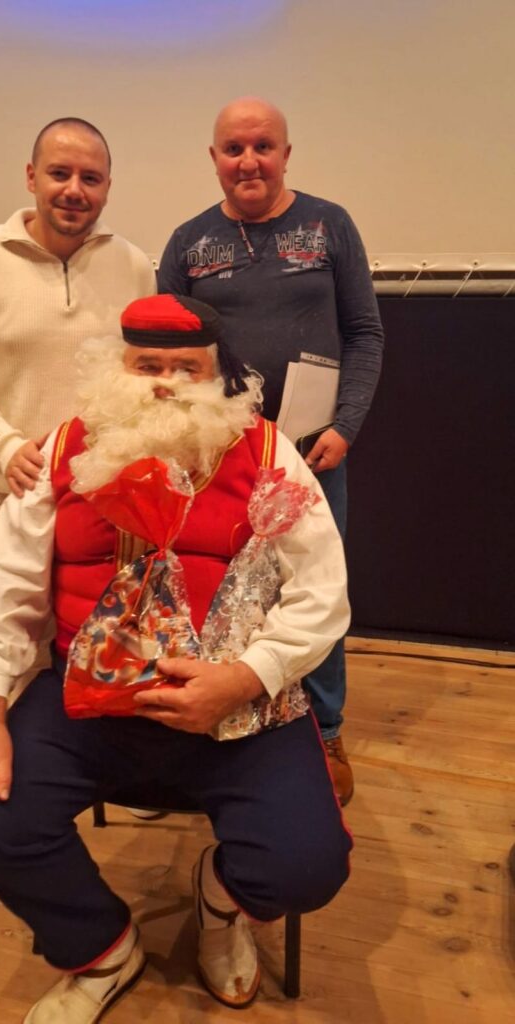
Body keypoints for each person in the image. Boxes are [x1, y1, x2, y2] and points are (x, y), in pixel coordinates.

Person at [0, 293, 352, 1023]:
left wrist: (243, 678)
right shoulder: (61, 451)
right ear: (117, 367)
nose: (165, 384)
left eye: (187, 369)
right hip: (87, 702)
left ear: (218, 375)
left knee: (308, 866)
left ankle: (219, 904)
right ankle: (102, 949)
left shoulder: (266, 452)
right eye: (147, 365)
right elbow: (2, 595)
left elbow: (322, 593)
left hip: (235, 703)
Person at [157, 96, 385, 805]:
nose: (248, 161)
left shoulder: (329, 225)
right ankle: (221, 725)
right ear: (214, 158)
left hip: (313, 456)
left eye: (263, 147)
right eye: (234, 149)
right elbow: (166, 357)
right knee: (212, 594)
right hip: (218, 458)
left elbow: (364, 333)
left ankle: (324, 731)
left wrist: (345, 425)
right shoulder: (187, 243)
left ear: (286, 153)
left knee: (315, 590)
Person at [0, 117, 156, 527]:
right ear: (32, 177)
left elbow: (146, 379)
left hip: (113, 496)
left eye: (90, 178)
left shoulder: (135, 265)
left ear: (107, 188)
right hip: (19, 492)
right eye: (59, 173)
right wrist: (4, 448)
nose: (74, 190)